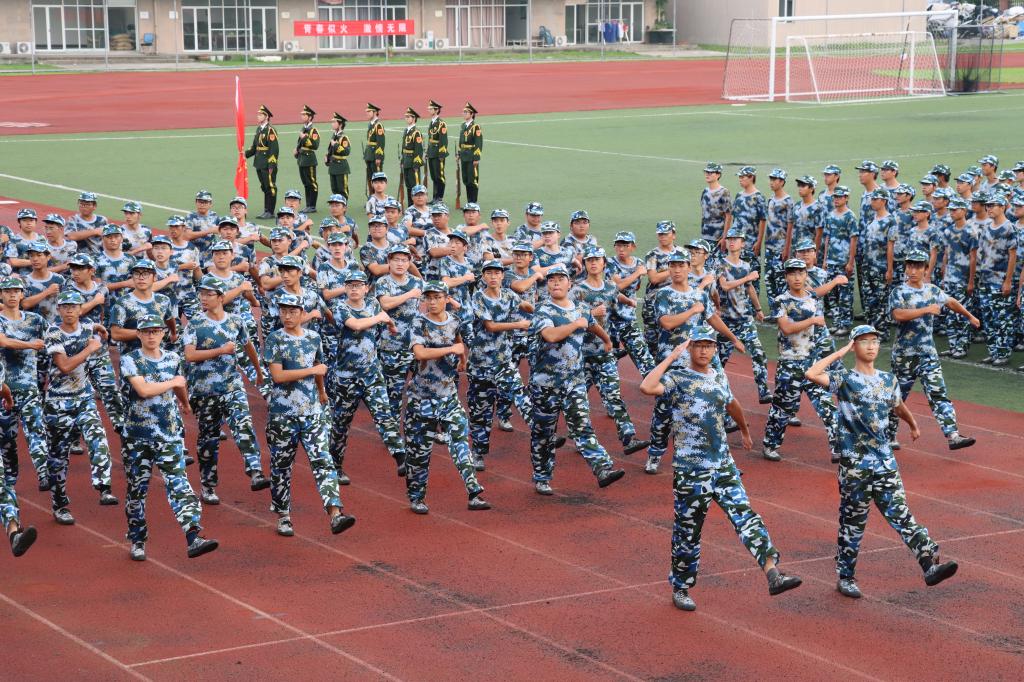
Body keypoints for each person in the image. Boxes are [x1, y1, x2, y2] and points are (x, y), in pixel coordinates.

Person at [640, 326, 802, 612]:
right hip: (691, 471)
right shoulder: (677, 378)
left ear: (715, 349)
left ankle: (773, 573)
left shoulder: (718, 376)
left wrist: (744, 429)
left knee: (746, 516)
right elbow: (647, 386)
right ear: (690, 349)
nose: (704, 350)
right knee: (688, 532)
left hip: (723, 466)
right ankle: (681, 587)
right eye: (698, 345)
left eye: (709, 346)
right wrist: (671, 357)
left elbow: (731, 403)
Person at [805, 325, 960, 599]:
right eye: (864, 341)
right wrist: (840, 352)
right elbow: (812, 373)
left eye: (874, 341)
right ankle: (846, 577)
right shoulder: (844, 379)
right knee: (853, 523)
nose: (871, 346)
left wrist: (912, 423)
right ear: (854, 346)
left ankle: (929, 564)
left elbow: (897, 405)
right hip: (855, 466)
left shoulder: (888, 380)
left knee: (902, 514)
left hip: (885, 462)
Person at [120, 315, 218, 562]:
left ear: (163, 333)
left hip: (169, 434)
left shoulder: (173, 359)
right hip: (137, 437)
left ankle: (193, 535)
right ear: (139, 334)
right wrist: (173, 382)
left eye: (156, 331)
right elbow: (143, 390)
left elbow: (180, 385)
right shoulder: (130, 360)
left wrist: (185, 402)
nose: (151, 335)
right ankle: (137, 538)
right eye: (146, 331)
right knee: (137, 491)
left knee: (179, 483)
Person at [263, 294, 356, 537]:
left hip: (312, 413)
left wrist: (322, 391)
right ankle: (283, 515)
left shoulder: (314, 338)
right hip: (283, 415)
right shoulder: (275, 339)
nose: (287, 316)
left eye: (292, 311)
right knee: (281, 466)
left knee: (323, 460)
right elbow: (278, 376)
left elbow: (319, 368)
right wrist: (312, 371)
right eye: (283, 311)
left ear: (302, 313)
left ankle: (335, 513)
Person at [529, 264, 625, 494]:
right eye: (551, 279)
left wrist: (607, 340)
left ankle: (602, 468)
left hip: (574, 382)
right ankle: (542, 477)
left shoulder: (580, 308)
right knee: (543, 434)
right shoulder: (543, 310)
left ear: (569, 283)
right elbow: (550, 335)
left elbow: (592, 325)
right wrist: (575, 325)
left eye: (560, 279)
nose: (555, 283)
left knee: (582, 426)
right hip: (546, 385)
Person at [182, 276, 270, 506]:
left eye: (208, 294)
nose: (203, 298)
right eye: (201, 294)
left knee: (243, 424)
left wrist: (258, 371)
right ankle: (208, 485)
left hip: (232, 386)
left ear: (221, 298)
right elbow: (189, 355)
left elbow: (248, 345)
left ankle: (255, 471)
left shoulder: (235, 321)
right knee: (208, 440)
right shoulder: (195, 324)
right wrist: (220, 350)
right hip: (204, 391)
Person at [405, 281, 491, 513]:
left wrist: (462, 359)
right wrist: (451, 350)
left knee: (460, 443)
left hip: (448, 397)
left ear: (446, 298)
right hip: (421, 399)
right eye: (428, 298)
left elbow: (458, 340)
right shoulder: (418, 322)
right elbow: (420, 353)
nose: (432, 302)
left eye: (437, 297)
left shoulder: (454, 321)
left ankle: (474, 491)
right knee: (419, 455)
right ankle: (417, 497)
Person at [887, 251, 977, 451]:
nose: (913, 270)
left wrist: (969, 316)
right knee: (896, 398)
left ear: (926, 269)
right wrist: (925, 310)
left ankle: (953, 435)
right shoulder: (899, 292)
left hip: (928, 354)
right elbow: (898, 315)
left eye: (918, 266)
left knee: (938, 393)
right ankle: (888, 435)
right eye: (910, 266)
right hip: (904, 356)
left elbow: (951, 302)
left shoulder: (933, 290)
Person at [44, 290, 117, 526]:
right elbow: (64, 366)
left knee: (98, 437)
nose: (69, 310)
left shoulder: (86, 327)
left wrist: (98, 328)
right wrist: (90, 349)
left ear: (80, 309)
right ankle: (59, 505)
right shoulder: (53, 333)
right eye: (65, 307)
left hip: (84, 398)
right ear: (59, 310)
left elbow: (91, 327)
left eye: (74, 307)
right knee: (58, 458)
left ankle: (104, 487)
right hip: (58, 403)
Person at [328, 269, 407, 484]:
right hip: (346, 378)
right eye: (350, 285)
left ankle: (401, 457)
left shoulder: (372, 304)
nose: (354, 289)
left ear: (366, 288)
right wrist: (381, 318)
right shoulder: (340, 307)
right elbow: (355, 325)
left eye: (358, 285)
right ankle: (335, 466)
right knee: (340, 425)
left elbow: (384, 321)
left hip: (372, 375)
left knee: (384, 415)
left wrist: (389, 324)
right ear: (345, 288)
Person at [761, 259, 840, 463]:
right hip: (790, 364)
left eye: (800, 273)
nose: (797, 277)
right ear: (786, 277)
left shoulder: (812, 298)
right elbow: (786, 328)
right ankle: (770, 444)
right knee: (782, 410)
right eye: (792, 273)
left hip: (812, 365)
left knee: (828, 407)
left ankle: (838, 448)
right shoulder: (781, 300)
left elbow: (820, 329)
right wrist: (812, 320)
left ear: (806, 275)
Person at [574, 248, 650, 455]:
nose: (593, 263)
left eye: (597, 260)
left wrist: (630, 301)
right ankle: (576, 439)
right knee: (576, 401)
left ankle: (628, 438)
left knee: (614, 395)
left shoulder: (609, 288)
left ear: (604, 264)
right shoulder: (577, 290)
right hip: (581, 355)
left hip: (604, 354)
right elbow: (569, 317)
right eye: (589, 260)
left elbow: (616, 297)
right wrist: (591, 313)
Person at [467, 259, 540, 470]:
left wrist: (538, 314)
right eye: (489, 273)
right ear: (483, 276)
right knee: (481, 412)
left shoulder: (508, 294)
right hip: (481, 364)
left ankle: (541, 432)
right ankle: (478, 452)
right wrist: (519, 324)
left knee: (520, 394)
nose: (493, 276)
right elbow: (490, 326)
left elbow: (525, 305)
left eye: (497, 273)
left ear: (502, 276)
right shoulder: (478, 297)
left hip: (503, 361)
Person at [0, 276, 51, 491]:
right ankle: (10, 482)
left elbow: (54, 338)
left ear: (22, 294)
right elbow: (4, 341)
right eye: (7, 291)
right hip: (4, 390)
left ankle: (44, 474)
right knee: (6, 440)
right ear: (1, 295)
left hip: (29, 387)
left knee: (36, 430)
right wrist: (30, 345)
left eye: (16, 291)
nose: (12, 295)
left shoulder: (35, 320)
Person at [716, 229, 770, 403]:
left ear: (742, 243)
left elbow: (750, 288)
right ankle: (715, 394)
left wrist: (758, 309)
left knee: (759, 353)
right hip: (725, 322)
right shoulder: (720, 264)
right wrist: (747, 278)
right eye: (729, 239)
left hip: (745, 320)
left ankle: (763, 391)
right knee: (718, 363)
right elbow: (725, 286)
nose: (732, 242)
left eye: (736, 239)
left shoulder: (746, 266)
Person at [374, 244, 424, 419]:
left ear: (409, 262)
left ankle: (417, 426)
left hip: (416, 345)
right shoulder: (383, 282)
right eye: (396, 260)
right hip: (391, 346)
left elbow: (426, 306)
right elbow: (385, 304)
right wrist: (409, 294)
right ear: (389, 261)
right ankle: (393, 428)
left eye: (404, 260)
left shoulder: (418, 282)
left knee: (421, 389)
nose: (400, 264)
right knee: (393, 393)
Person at [974, 194, 1018, 366]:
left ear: (1003, 207)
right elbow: (982, 253)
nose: (989, 208)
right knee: (988, 318)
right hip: (985, 279)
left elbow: (1013, 256)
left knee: (1002, 319)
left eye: (993, 205)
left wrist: (1008, 281)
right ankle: (993, 352)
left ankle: (1003, 352)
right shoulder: (986, 227)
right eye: (988, 205)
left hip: (999, 281)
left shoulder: (1009, 228)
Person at [821, 185, 858, 336]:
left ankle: (845, 324)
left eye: (840, 197)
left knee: (845, 295)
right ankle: (837, 323)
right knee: (831, 294)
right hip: (831, 261)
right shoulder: (830, 215)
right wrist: (824, 260)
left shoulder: (850, 216)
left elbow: (853, 239)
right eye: (835, 197)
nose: (836, 199)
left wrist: (850, 262)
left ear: (846, 198)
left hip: (843, 262)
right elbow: (827, 238)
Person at [727, 166, 767, 291]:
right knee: (736, 275)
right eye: (739, 177)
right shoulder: (739, 195)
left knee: (752, 277)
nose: (740, 179)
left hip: (751, 244)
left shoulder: (759, 197)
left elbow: (762, 220)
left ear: (751, 178)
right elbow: (734, 219)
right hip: (737, 245)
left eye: (743, 177)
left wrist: (759, 242)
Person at [764, 167, 794, 313]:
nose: (772, 182)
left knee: (781, 280)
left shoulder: (788, 201)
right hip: (769, 248)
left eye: (775, 179)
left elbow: (790, 226)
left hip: (780, 248)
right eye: (771, 179)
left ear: (782, 182)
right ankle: (774, 311)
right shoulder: (770, 199)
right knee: (768, 279)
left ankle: (784, 312)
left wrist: (786, 249)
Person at [245, 104, 279, 218]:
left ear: (267, 116)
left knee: (270, 187)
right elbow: (255, 147)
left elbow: (274, 149)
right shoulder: (259, 129)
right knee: (264, 187)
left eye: (260, 115)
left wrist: (271, 165)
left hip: (267, 164)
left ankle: (270, 211)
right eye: (258, 114)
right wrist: (244, 155)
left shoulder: (270, 130)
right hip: (259, 163)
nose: (258, 116)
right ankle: (266, 210)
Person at [65, 191, 108, 256]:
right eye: (81, 204)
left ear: (94, 206)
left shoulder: (102, 220)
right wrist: (95, 231)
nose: (84, 207)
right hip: (80, 258)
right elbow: (70, 236)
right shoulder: (72, 220)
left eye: (87, 204)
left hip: (98, 256)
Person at [295, 104, 320, 213]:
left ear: (310, 117)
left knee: (312, 182)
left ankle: (312, 205)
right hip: (302, 159)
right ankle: (308, 205)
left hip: (309, 159)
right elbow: (300, 143)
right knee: (306, 183)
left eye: (305, 115)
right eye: (302, 114)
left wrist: (304, 138)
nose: (302, 116)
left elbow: (315, 145)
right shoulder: (304, 128)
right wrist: (297, 150)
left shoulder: (313, 130)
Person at [699, 162, 731, 247]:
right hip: (705, 236)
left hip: (718, 239)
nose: (707, 174)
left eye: (710, 172)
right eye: (706, 172)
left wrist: (724, 238)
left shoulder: (724, 192)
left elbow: (728, 216)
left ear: (718, 175)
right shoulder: (705, 191)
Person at [458, 102, 482, 204]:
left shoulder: (476, 127)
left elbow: (478, 143)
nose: (464, 114)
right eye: (463, 112)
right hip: (464, 155)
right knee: (466, 179)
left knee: (473, 180)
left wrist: (476, 158)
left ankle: (473, 202)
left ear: (472, 114)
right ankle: (469, 202)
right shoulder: (463, 125)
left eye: (466, 112)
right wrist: (459, 153)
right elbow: (461, 141)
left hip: (472, 156)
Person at [400, 107, 425, 206]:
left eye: (408, 117)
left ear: (414, 118)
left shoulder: (416, 133)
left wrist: (416, 164)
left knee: (415, 186)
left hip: (413, 162)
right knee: (408, 185)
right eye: (405, 117)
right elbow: (403, 148)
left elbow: (419, 150)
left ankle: (417, 205)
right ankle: (410, 205)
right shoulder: (406, 131)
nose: (406, 118)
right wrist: (402, 160)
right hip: (406, 161)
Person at [325, 112, 351, 201]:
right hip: (333, 166)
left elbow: (346, 151)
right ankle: (337, 205)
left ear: (340, 124)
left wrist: (336, 145)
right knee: (334, 189)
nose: (332, 124)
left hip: (341, 166)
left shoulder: (343, 137)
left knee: (342, 189)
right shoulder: (334, 135)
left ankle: (343, 206)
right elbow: (331, 150)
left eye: (334, 122)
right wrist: (328, 159)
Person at [426, 100, 449, 203]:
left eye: (431, 109)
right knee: (434, 176)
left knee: (440, 176)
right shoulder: (432, 122)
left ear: (436, 110)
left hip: (438, 153)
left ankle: (439, 197)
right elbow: (430, 139)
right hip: (432, 152)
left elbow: (443, 140)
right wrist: (428, 152)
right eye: (429, 109)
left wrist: (442, 154)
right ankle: (435, 197)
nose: (429, 110)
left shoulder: (441, 123)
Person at [364, 102, 386, 196]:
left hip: (375, 156)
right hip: (369, 155)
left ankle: (379, 198)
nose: (367, 113)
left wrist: (378, 157)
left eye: (369, 112)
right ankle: (372, 197)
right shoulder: (371, 124)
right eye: (367, 112)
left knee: (377, 179)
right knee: (370, 178)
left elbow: (380, 142)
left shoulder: (378, 125)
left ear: (375, 112)